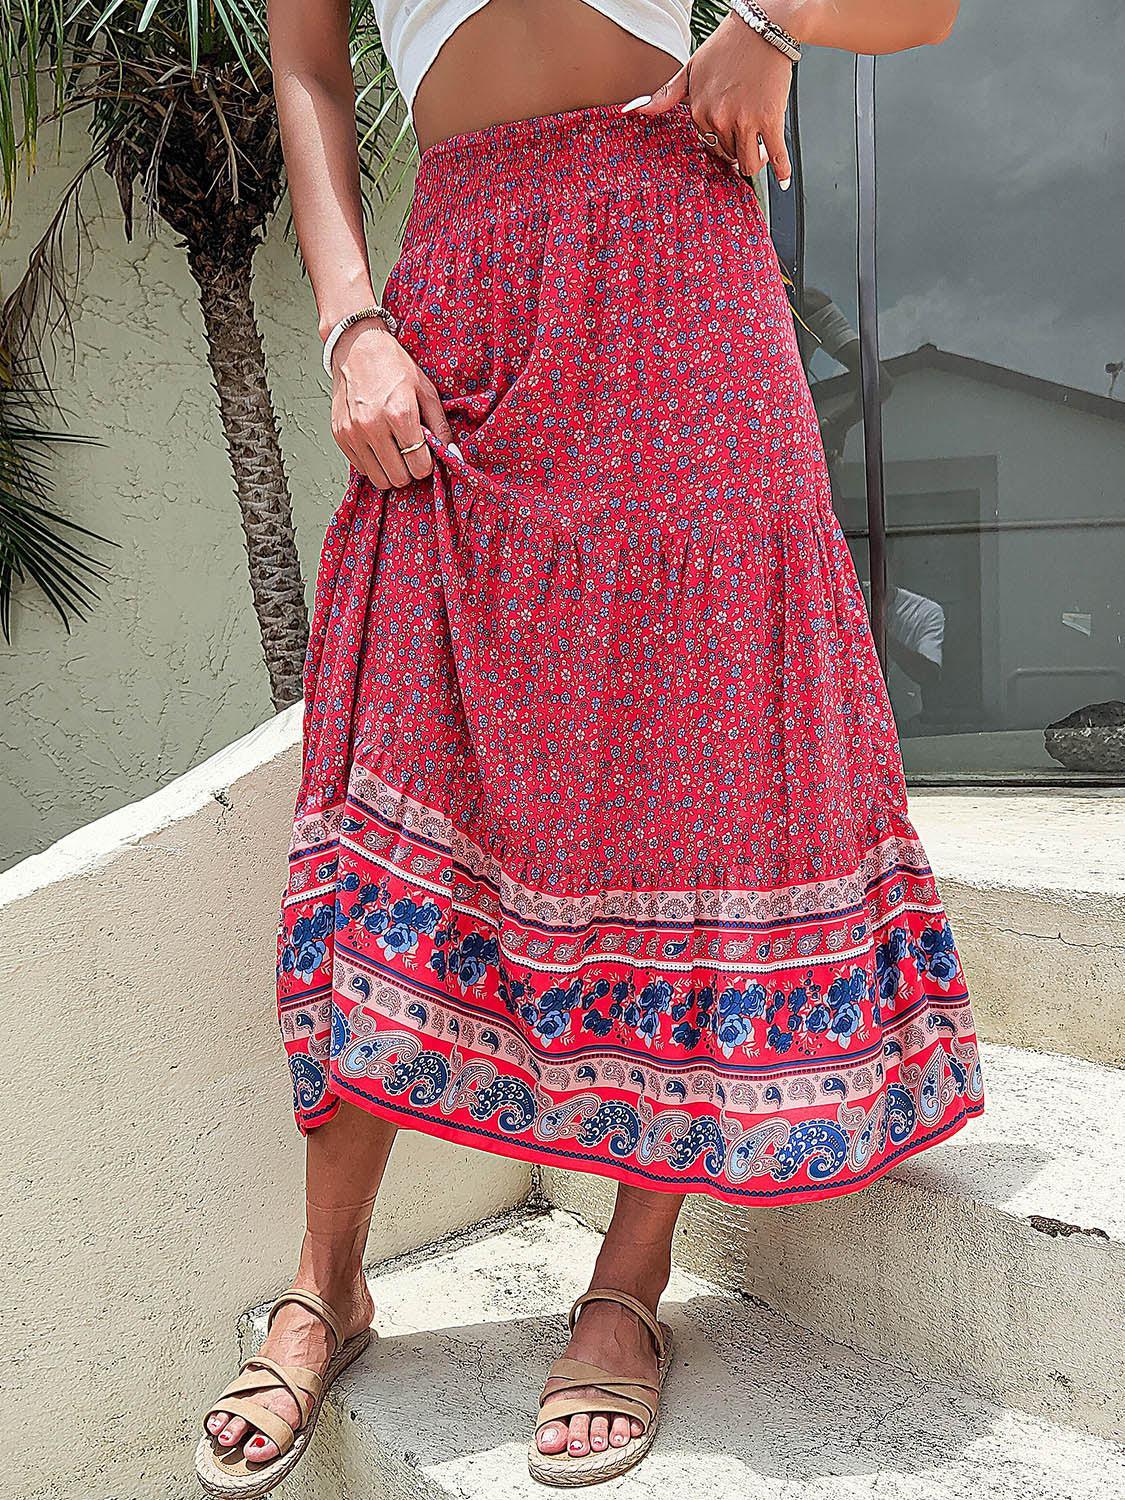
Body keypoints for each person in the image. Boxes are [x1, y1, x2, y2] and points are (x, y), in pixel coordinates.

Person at [196, 1, 982, 1493]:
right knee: (400, 735)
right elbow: (305, 61)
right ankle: (329, 1281)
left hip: (680, 260)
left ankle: (628, 1280)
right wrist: (349, 314)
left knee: (695, 781)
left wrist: (770, 27)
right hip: (464, 281)